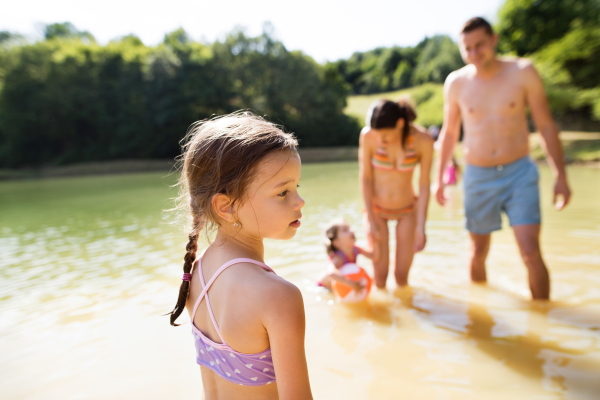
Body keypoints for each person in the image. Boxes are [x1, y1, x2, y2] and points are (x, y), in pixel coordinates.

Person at [167, 112, 313, 399]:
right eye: (283, 192)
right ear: (226, 207)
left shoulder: (198, 273)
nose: (299, 201)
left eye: (297, 186)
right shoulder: (277, 296)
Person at [435, 17, 572, 300]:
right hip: (477, 174)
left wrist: (561, 175)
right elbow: (449, 133)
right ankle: (480, 316)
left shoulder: (523, 72)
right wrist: (438, 180)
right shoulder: (456, 83)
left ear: (494, 40)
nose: (474, 53)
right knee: (478, 252)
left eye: (479, 45)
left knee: (531, 251)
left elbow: (545, 125)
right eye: (467, 48)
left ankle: (543, 323)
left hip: (519, 172)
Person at [360, 99, 434, 288]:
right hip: (376, 210)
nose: (380, 139)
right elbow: (365, 178)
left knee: (401, 277)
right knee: (380, 278)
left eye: (384, 135)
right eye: (377, 135)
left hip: (407, 210)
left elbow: (424, 184)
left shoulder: (423, 140)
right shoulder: (368, 136)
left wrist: (421, 225)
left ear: (400, 124)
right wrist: (369, 216)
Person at [319, 219, 375, 291]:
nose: (352, 231)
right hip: (324, 288)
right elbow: (331, 273)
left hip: (340, 284)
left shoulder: (356, 249)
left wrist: (374, 238)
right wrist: (353, 285)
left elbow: (373, 256)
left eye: (349, 228)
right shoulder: (338, 258)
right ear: (336, 242)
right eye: (345, 230)